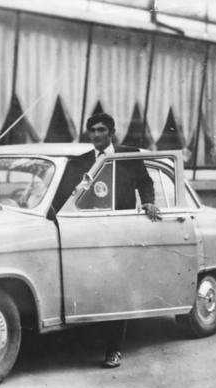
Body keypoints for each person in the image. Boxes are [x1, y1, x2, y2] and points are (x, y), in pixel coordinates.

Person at [53, 113, 160, 368]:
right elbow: (64, 195)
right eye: (92, 131)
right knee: (89, 286)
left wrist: (148, 202)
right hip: (89, 231)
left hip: (120, 229)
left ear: (112, 132)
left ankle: (114, 349)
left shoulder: (128, 156)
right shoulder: (81, 162)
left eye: (101, 130)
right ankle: (86, 342)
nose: (96, 135)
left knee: (116, 289)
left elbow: (145, 183)